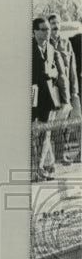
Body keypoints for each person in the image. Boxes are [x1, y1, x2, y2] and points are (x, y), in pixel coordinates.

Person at [32, 17, 68, 180]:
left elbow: (57, 72)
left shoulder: (52, 49)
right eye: (44, 29)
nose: (48, 32)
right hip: (33, 97)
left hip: (48, 98)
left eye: (48, 29)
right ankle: (34, 168)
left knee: (46, 134)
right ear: (35, 31)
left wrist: (52, 73)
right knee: (33, 133)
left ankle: (40, 167)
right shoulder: (29, 48)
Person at [48, 14, 80, 164]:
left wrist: (74, 91)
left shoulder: (66, 43)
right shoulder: (45, 43)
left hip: (67, 89)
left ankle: (62, 155)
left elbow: (72, 69)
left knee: (65, 123)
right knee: (52, 123)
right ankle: (53, 157)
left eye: (57, 23)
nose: (55, 25)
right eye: (52, 23)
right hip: (53, 90)